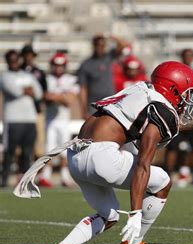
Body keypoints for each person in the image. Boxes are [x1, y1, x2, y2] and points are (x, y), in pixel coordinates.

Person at [25, 61, 193, 244]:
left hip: (76, 155)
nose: (187, 100)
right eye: (185, 93)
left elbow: (173, 123)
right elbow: (143, 165)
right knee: (162, 182)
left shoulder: (140, 90)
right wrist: (135, 214)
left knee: (109, 216)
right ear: (172, 89)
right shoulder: (161, 109)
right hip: (102, 157)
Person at [0, 50, 43, 187]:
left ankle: (26, 183)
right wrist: (26, 90)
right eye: (10, 60)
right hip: (13, 120)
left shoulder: (28, 75)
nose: (13, 63)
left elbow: (38, 93)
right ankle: (4, 181)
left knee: (27, 152)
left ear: (19, 60)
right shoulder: (5, 77)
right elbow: (15, 91)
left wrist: (28, 91)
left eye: (15, 60)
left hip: (29, 119)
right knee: (10, 152)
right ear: (7, 61)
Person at [38, 53, 79, 187]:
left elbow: (70, 101)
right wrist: (61, 96)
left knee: (65, 150)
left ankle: (64, 177)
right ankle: (45, 176)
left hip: (63, 119)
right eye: (56, 65)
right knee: (49, 149)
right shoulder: (47, 78)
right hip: (50, 119)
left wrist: (55, 97)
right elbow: (44, 96)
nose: (58, 68)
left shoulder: (70, 79)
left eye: (61, 65)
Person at [164, 48, 193, 187]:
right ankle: (167, 174)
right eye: (185, 56)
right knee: (172, 147)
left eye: (190, 56)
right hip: (176, 114)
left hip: (192, 115)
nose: (188, 58)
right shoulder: (175, 73)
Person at [77, 34, 128, 119]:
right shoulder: (86, 64)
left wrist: (111, 37)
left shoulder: (108, 57)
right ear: (94, 46)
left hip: (110, 102)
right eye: (97, 45)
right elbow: (83, 88)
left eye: (102, 45)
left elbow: (124, 45)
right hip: (94, 104)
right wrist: (84, 110)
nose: (100, 47)